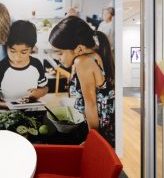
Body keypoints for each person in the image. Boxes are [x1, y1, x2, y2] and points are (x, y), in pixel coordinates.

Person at [48, 16, 115, 147]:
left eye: (60, 53)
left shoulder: (82, 61)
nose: (58, 58)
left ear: (79, 49)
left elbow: (91, 104)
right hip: (106, 123)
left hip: (100, 127)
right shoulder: (95, 54)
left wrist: (93, 141)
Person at [0, 20, 48, 112]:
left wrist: (39, 93)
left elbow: (45, 88)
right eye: (12, 51)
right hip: (8, 118)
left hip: (33, 114)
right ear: (6, 47)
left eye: (24, 52)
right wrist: (10, 105)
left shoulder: (37, 64)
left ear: (32, 48)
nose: (17, 57)